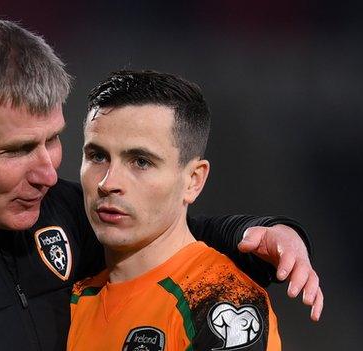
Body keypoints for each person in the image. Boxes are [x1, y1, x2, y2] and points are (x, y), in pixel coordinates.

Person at [0, 15, 321, 351]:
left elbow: (157, 232)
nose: (49, 171)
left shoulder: (54, 209)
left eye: (54, 140)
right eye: (18, 150)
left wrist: (257, 234)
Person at [68, 70, 281, 351]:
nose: (109, 183)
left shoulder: (220, 300)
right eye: (97, 156)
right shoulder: (72, 297)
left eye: (141, 162)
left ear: (193, 180)